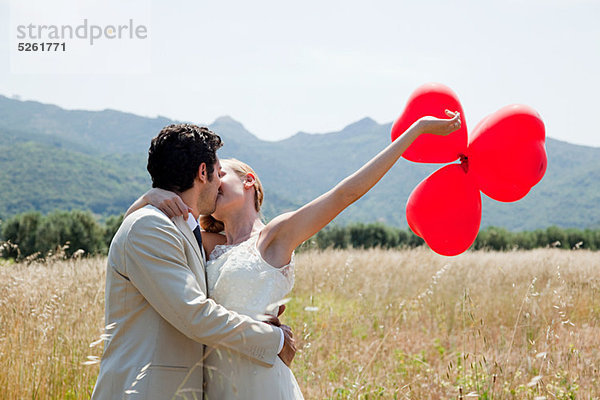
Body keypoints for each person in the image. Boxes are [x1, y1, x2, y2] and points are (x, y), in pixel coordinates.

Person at [128, 110, 462, 399]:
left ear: (249, 181)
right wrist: (150, 196)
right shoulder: (205, 243)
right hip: (211, 383)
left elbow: (345, 193)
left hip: (261, 378)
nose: (213, 182)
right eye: (211, 175)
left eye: (221, 175)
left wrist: (416, 131)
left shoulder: (275, 235)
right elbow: (135, 232)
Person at [91, 124, 296, 400]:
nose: (219, 183)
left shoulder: (180, 228)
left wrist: (254, 312)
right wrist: (274, 340)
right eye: (218, 173)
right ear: (203, 172)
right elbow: (194, 314)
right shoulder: (150, 226)